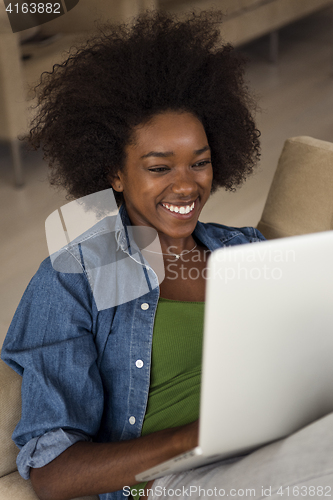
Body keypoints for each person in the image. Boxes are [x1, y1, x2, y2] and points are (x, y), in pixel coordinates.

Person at [2, 10, 333, 500]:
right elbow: (54, 472)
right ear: (115, 172)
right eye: (159, 167)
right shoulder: (74, 276)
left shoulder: (244, 250)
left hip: (277, 455)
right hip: (171, 482)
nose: (186, 184)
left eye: (200, 162)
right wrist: (198, 439)